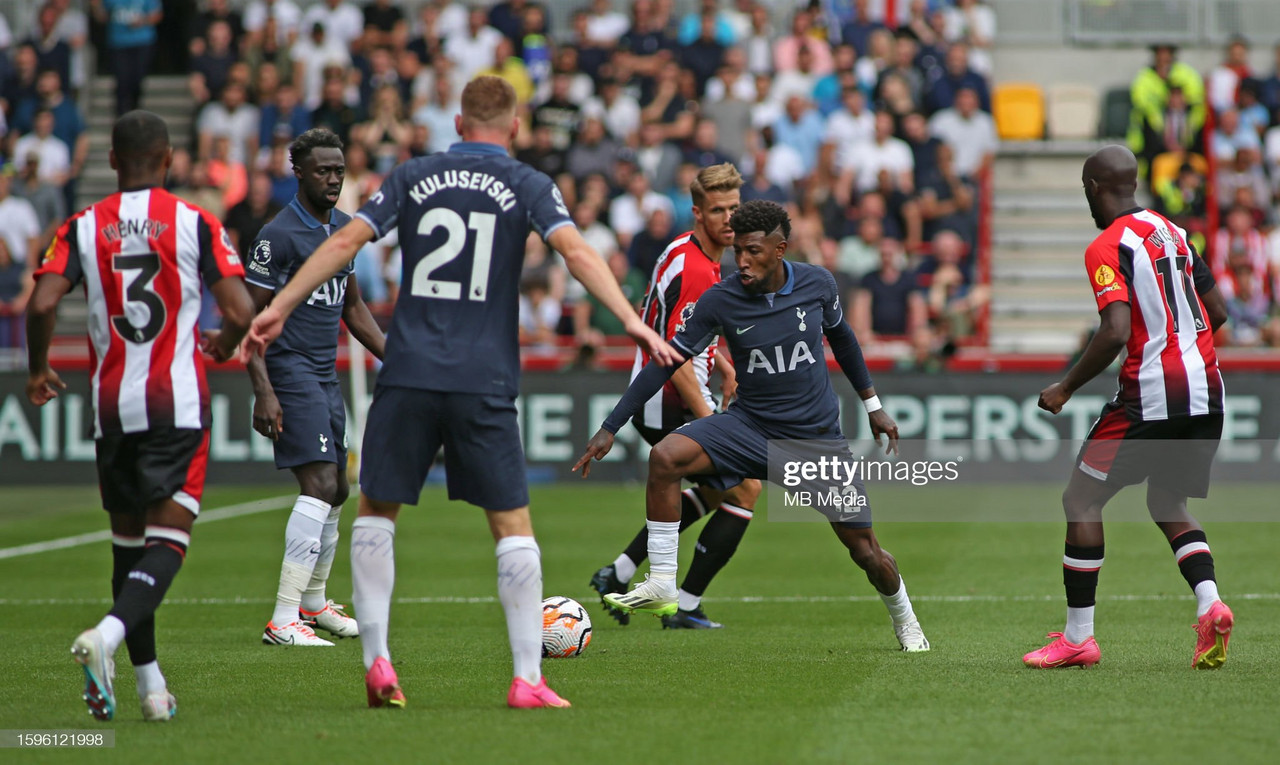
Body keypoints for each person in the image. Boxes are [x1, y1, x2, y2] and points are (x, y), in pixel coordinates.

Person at [240, 76, 678, 709]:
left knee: (375, 513)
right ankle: (527, 678)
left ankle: (379, 665)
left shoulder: (413, 175)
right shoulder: (527, 184)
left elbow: (344, 243)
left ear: (459, 123)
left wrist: (277, 306)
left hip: (410, 370)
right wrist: (632, 320)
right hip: (483, 375)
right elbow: (575, 252)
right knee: (511, 524)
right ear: (517, 127)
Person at [573, 200, 931, 653]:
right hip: (748, 427)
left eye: (754, 251)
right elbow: (666, 361)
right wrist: (611, 426)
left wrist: (873, 405)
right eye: (738, 250)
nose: (742, 261)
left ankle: (906, 620)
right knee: (665, 457)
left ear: (780, 249)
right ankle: (663, 581)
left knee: (866, 552)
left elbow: (844, 338)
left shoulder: (818, 283)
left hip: (813, 442)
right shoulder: (721, 299)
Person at [25, 110, 255, 720]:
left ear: (110, 162)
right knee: (169, 542)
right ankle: (106, 635)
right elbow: (238, 308)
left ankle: (151, 690)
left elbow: (43, 300)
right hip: (175, 402)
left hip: (112, 408)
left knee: (127, 549)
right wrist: (227, 346)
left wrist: (38, 368)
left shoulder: (82, 225)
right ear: (170, 158)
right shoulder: (194, 222)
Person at [1025, 145, 1232, 670]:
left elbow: (1116, 331)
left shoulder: (1106, 245)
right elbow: (1220, 311)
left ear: (1095, 187)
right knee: (1167, 505)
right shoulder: (1175, 232)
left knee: (1081, 502)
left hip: (1152, 393)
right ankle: (1210, 604)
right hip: (1206, 387)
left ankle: (1078, 638)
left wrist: (1066, 387)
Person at [589, 163, 762, 629]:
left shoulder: (690, 252)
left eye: (734, 208)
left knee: (710, 491)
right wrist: (713, 422)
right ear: (697, 213)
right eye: (718, 210)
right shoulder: (698, 271)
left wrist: (723, 366)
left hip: (660, 392)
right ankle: (683, 606)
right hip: (666, 396)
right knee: (745, 489)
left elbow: (685, 332)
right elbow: (679, 358)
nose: (729, 218)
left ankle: (618, 572)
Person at [241, 129, 386, 646]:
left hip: (324, 374)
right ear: (298, 172)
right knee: (320, 485)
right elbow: (246, 316)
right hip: (288, 370)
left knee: (340, 489)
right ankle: (283, 620)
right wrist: (263, 390)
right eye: (323, 170)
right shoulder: (277, 235)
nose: (333, 178)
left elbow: (352, 307)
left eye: (339, 170)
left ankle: (314, 603)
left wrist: (397, 359)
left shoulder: (345, 229)